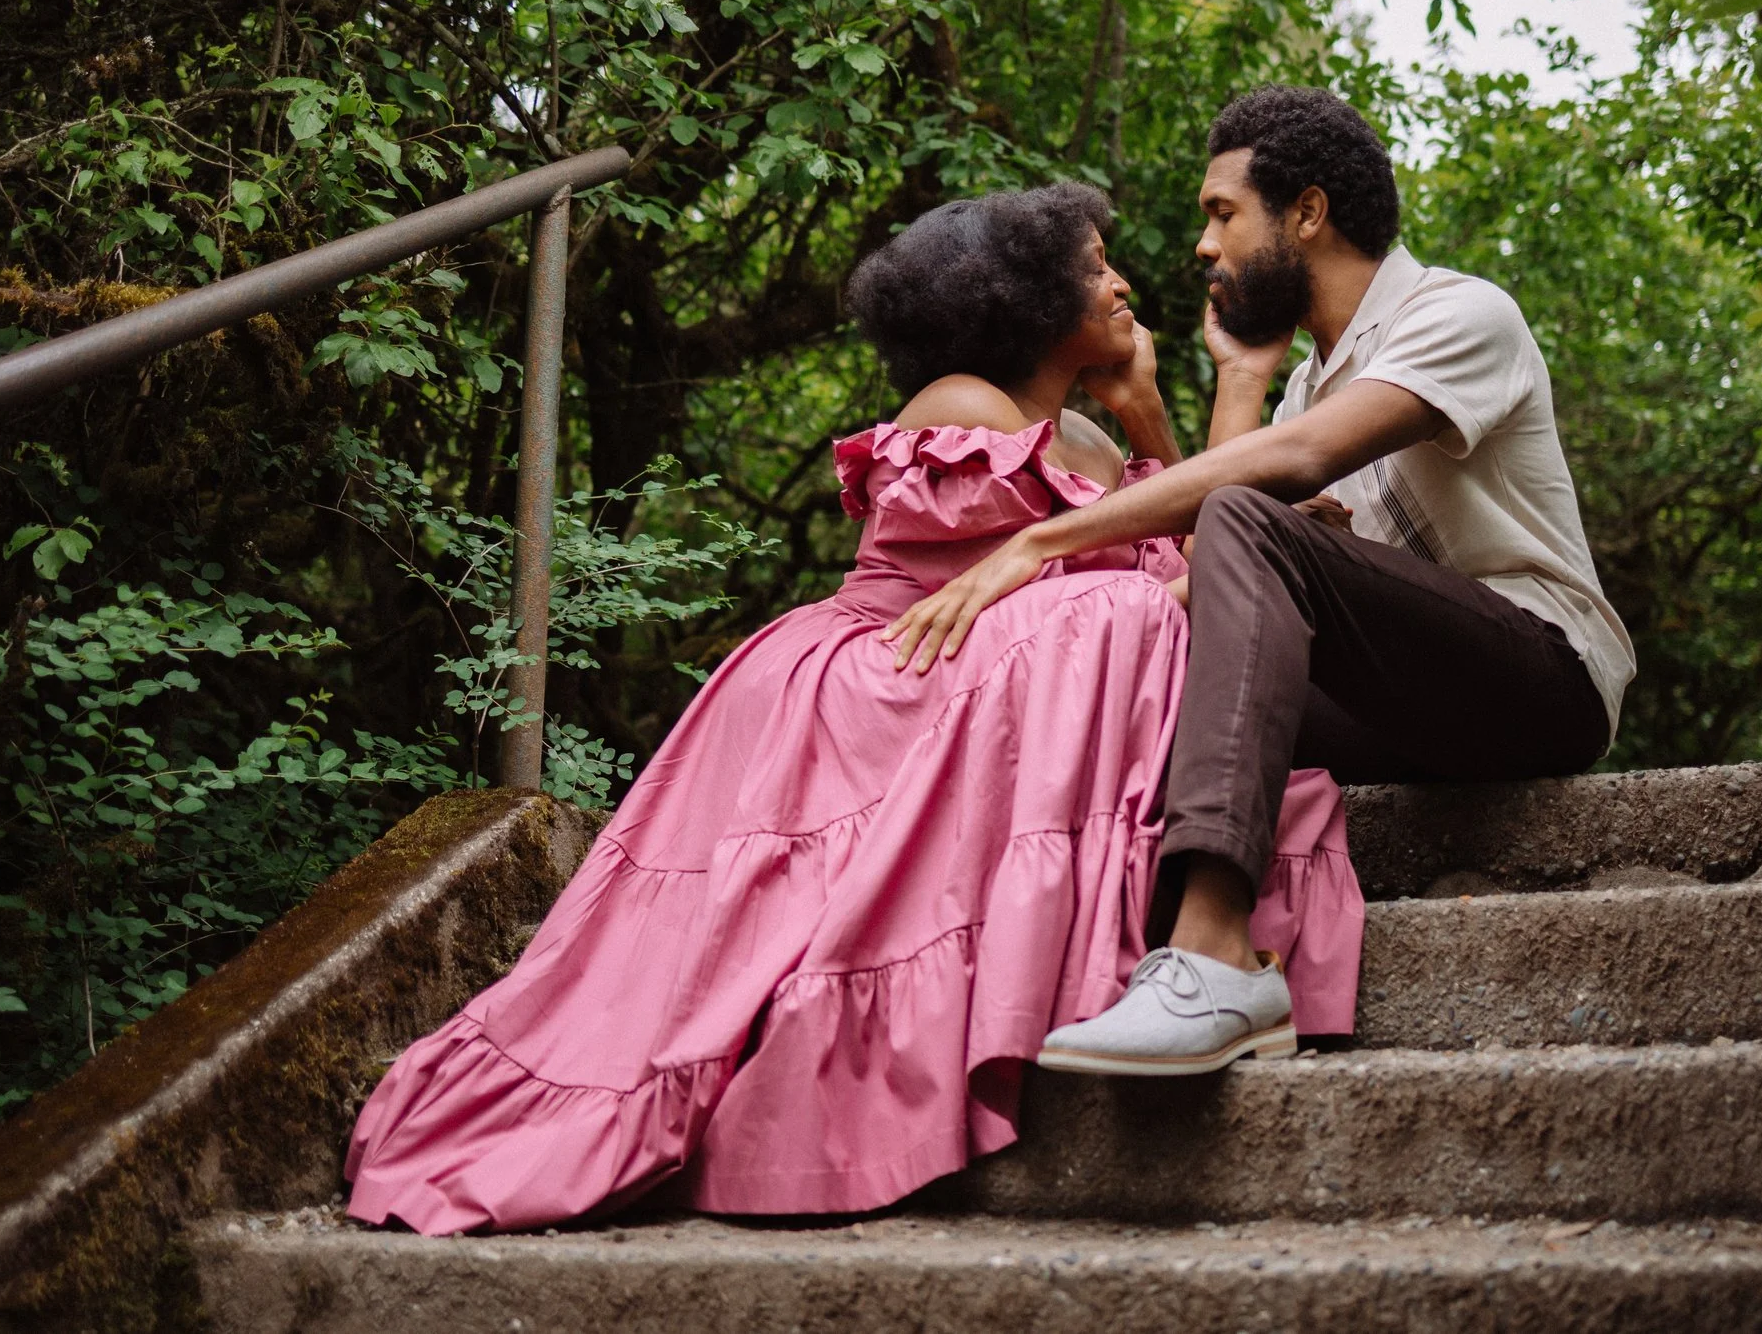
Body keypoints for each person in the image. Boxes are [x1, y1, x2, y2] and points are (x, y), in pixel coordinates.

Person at [342, 182, 1362, 1234]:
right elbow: (1071, 611)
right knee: (1110, 611)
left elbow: (1176, 579)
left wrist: (1151, 421)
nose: (1124, 283)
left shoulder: (1094, 447)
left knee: (1148, 628)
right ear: (1018, 294)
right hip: (880, 681)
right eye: (1096, 264)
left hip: (988, 682)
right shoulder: (961, 406)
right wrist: (1257, 538)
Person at [889, 87, 1634, 1076]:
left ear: (1308, 213)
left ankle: (1216, 955)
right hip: (1405, 710)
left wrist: (1041, 542)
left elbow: (1276, 477)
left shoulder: (1457, 313)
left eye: (1221, 212)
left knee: (1248, 513)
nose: (1203, 245)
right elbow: (1211, 580)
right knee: (1162, 664)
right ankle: (1037, 964)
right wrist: (1236, 380)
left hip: (1544, 678)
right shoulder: (1301, 382)